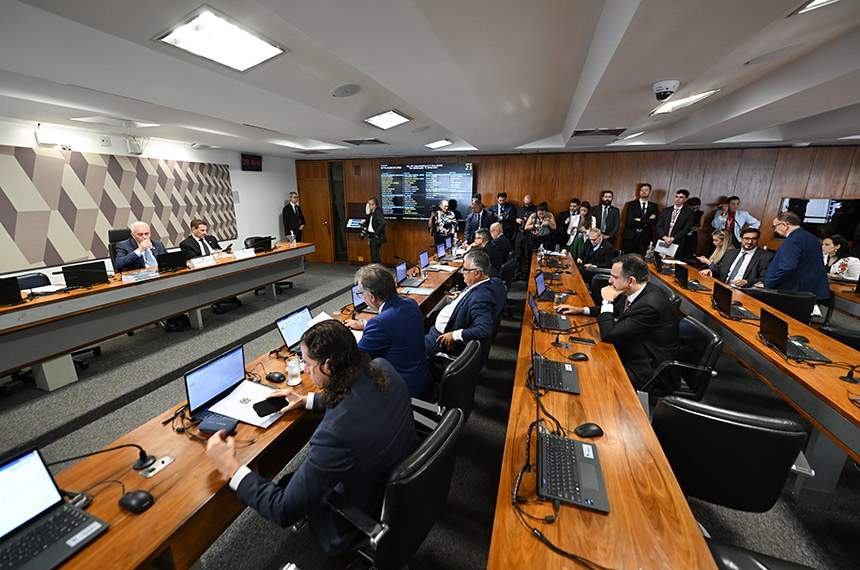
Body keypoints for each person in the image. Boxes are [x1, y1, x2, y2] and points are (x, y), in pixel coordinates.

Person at [206, 321, 417, 557]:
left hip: (366, 513)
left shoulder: (335, 434)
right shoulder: (381, 367)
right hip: (398, 484)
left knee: (287, 484)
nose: (305, 369)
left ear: (327, 365)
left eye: (307, 363)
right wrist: (305, 400)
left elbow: (283, 510)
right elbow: (357, 397)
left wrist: (231, 468)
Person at [557, 254, 680, 392]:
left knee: (591, 379)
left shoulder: (650, 306)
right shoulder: (637, 290)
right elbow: (616, 310)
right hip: (633, 347)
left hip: (647, 366)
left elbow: (609, 335)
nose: (610, 281)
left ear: (631, 281)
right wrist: (581, 310)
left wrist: (607, 301)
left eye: (615, 277)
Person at [343, 264, 431, 398]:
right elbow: (395, 327)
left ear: (371, 297)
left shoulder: (379, 324)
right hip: (421, 377)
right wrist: (364, 325)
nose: (362, 297)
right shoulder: (410, 303)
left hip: (403, 389)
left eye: (361, 293)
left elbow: (354, 360)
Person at [425, 250, 506, 356]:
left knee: (409, 347)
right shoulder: (496, 282)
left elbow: (484, 329)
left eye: (465, 269)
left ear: (476, 273)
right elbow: (476, 293)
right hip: (448, 322)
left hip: (440, 339)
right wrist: (463, 296)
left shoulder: (480, 298)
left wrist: (454, 335)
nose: (462, 272)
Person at [763, 212, 830, 302]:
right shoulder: (812, 237)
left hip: (794, 292)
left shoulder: (792, 240)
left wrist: (768, 284)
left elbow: (787, 267)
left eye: (775, 226)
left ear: (784, 224)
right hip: (811, 290)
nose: (774, 230)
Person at [700, 227, 772, 287]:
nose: (750, 242)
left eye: (754, 239)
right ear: (740, 239)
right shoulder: (731, 253)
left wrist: (747, 282)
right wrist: (711, 270)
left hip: (744, 292)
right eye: (747, 238)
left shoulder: (765, 257)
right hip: (723, 287)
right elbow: (720, 270)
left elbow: (765, 279)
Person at [621, 183, 659, 255]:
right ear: (639, 192)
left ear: (649, 192)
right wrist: (647, 221)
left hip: (645, 237)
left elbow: (654, 222)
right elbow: (629, 221)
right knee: (626, 258)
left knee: (642, 259)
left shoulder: (654, 206)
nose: (644, 192)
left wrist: (641, 220)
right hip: (630, 236)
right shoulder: (631, 204)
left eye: (646, 190)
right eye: (642, 190)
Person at [655, 189, 694, 256]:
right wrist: (665, 238)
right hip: (663, 240)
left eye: (681, 197)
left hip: (677, 241)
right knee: (658, 260)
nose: (677, 199)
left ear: (686, 199)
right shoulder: (665, 211)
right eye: (676, 196)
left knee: (673, 263)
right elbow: (659, 226)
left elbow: (686, 229)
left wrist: (672, 239)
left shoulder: (689, 213)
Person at [513, 194, 537, 277]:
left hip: (530, 236)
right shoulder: (519, 209)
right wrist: (516, 220)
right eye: (525, 204)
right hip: (520, 234)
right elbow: (514, 219)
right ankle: (516, 274)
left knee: (528, 257)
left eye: (529, 204)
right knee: (517, 255)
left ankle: (526, 276)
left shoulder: (536, 210)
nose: (527, 205)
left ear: (532, 202)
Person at [360, 197, 386, 264]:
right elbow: (372, 222)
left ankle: (377, 270)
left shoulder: (378, 211)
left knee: (375, 255)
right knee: (374, 253)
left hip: (375, 236)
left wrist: (376, 233)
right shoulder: (372, 212)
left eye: (369, 205)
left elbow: (383, 223)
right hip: (371, 235)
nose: (368, 206)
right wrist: (365, 222)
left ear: (373, 205)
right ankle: (376, 268)